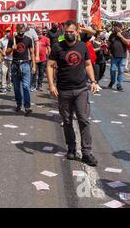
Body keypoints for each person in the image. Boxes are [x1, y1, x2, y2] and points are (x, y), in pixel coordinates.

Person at [46, 20, 99, 167]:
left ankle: (87, 152)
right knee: (67, 120)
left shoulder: (82, 46)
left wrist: (93, 81)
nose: (69, 34)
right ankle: (71, 148)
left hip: (81, 89)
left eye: (71, 32)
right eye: (67, 32)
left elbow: (88, 64)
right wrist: (51, 85)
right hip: (63, 90)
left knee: (83, 119)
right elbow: (49, 66)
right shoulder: (57, 47)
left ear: (77, 32)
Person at [8, 24, 36, 116]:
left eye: (23, 28)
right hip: (15, 64)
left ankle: (27, 106)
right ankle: (19, 104)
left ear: (25, 29)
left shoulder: (28, 39)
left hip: (25, 64)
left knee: (26, 87)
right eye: (20, 28)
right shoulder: (12, 39)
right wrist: (11, 49)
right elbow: (6, 52)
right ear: (17, 29)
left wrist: (34, 66)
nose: (21, 30)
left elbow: (32, 53)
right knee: (16, 87)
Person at [107, 23, 130, 91]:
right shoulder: (112, 35)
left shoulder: (125, 34)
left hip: (122, 56)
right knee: (112, 70)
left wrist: (121, 36)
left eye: (115, 28)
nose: (114, 29)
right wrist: (108, 50)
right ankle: (112, 81)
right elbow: (109, 44)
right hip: (114, 55)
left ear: (120, 28)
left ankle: (119, 84)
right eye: (114, 28)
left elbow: (128, 43)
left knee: (121, 70)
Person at [31, 27, 50, 91]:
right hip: (34, 59)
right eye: (38, 32)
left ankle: (39, 86)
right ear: (36, 32)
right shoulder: (33, 39)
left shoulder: (46, 39)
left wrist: (50, 57)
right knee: (34, 72)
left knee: (41, 73)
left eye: (40, 32)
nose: (40, 33)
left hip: (43, 59)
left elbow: (48, 48)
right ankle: (33, 85)